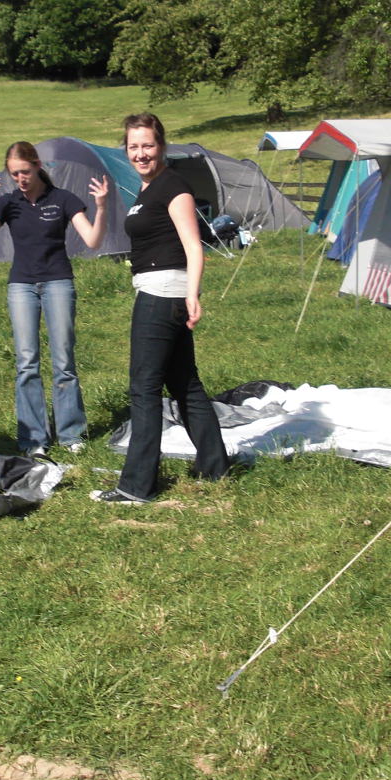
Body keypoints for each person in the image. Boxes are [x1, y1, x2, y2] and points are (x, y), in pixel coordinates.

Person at [95, 113, 229, 504]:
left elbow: (193, 245)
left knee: (144, 389)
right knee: (185, 384)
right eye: (133, 147)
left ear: (162, 146)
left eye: (148, 146)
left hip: (162, 295)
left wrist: (193, 294)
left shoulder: (173, 187)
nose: (140, 154)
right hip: (161, 292)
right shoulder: (148, 188)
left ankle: (137, 486)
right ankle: (215, 467)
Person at [0, 141, 108, 455]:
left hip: (58, 282)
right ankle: (33, 439)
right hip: (22, 286)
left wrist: (101, 208)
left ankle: (71, 434)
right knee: (27, 363)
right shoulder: (7, 203)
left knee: (64, 361)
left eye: (25, 172)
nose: (20, 179)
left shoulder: (63, 199)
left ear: (38, 166)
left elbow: (92, 240)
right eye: (14, 173)